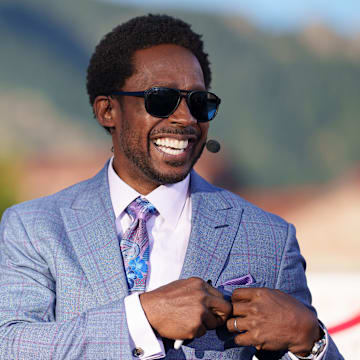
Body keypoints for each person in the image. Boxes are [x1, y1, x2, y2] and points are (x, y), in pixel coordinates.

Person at [0, 14, 343, 360]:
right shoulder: (33, 228)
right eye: (161, 99)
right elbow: (9, 344)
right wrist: (143, 317)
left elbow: (296, 343)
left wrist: (311, 342)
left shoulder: (269, 238)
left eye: (198, 103)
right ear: (108, 110)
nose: (185, 118)